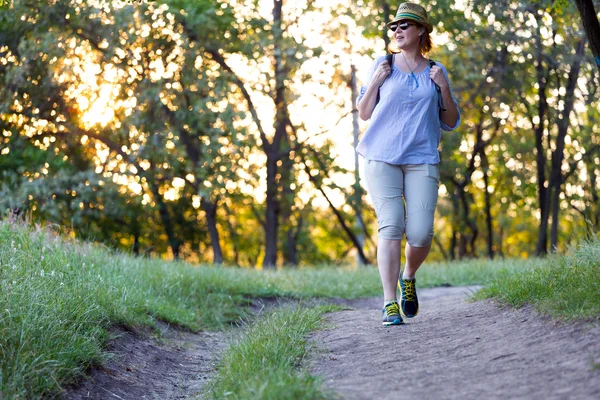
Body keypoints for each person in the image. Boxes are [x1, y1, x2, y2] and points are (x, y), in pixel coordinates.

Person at [356, 2, 460, 326]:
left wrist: (443, 87)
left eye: (404, 25)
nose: (397, 31)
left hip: (421, 159)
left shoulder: (436, 71)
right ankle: (389, 303)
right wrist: (375, 80)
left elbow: (451, 121)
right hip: (381, 157)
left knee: (420, 234)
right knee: (391, 224)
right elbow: (363, 112)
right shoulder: (383, 64)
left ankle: (408, 276)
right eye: (394, 27)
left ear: (420, 31)